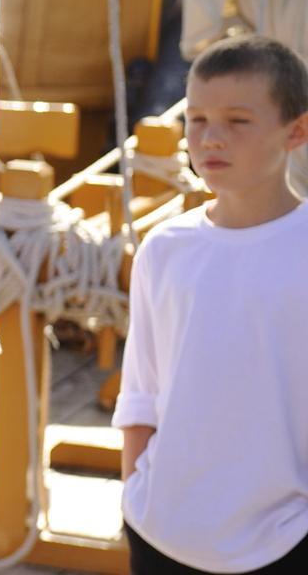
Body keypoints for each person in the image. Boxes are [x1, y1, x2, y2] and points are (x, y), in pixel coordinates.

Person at [115, 34, 308, 574]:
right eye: (196, 119)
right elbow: (141, 393)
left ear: (297, 131)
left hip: (285, 541)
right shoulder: (163, 249)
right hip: (160, 535)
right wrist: (136, 497)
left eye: (238, 121)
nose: (211, 138)